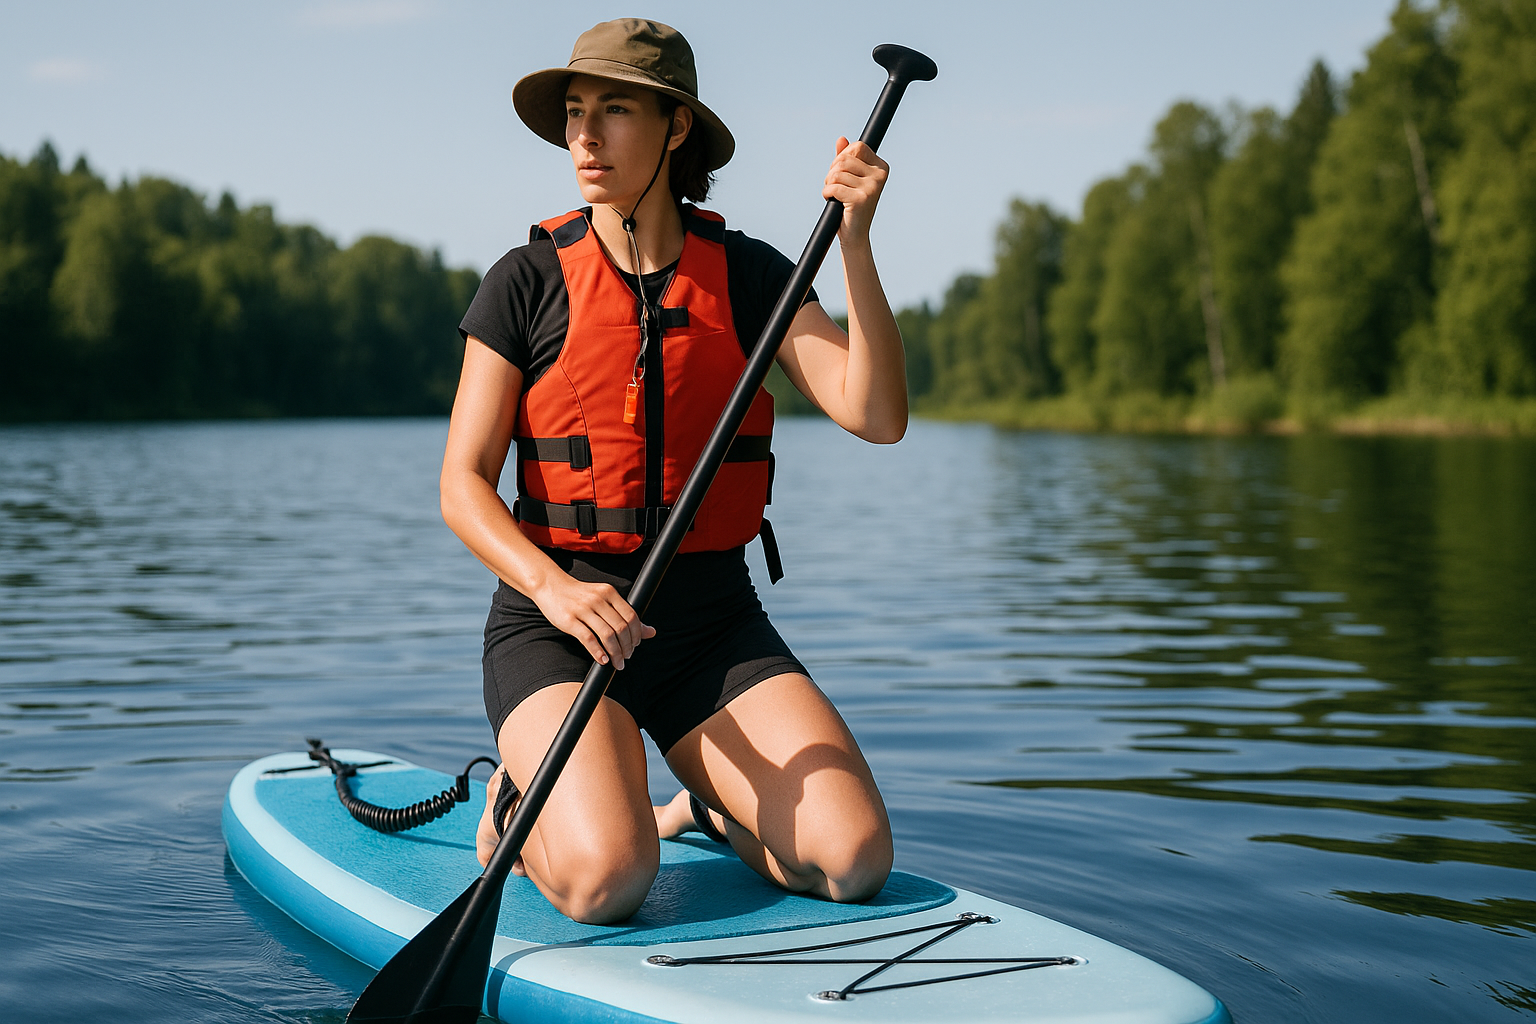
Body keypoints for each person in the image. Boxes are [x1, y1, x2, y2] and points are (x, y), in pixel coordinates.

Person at [441, 18, 907, 925]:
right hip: (560, 623)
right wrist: (553, 589)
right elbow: (463, 484)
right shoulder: (525, 279)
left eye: (613, 110)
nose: (585, 135)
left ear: (676, 127)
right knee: (609, 881)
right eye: (575, 111)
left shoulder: (749, 275)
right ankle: (513, 804)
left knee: (853, 862)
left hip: (708, 625)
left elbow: (877, 416)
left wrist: (855, 244)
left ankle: (704, 803)